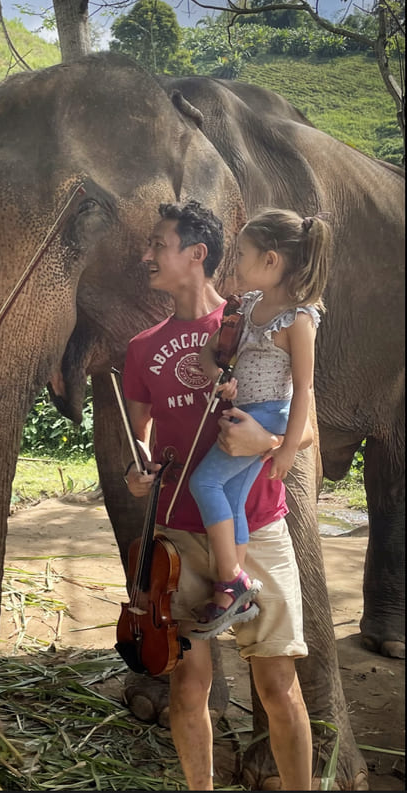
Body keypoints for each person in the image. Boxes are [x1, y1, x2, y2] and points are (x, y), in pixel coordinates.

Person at [122, 200, 314, 792]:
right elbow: (141, 441)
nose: (147, 255)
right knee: (187, 685)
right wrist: (139, 473)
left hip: (258, 526)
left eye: (158, 244)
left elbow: (305, 424)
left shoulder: (250, 320)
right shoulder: (140, 347)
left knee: (278, 686)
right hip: (179, 535)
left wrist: (270, 439)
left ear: (196, 254)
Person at [189, 208, 331, 637]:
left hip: (270, 413)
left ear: (271, 260)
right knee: (230, 496)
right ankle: (232, 591)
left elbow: (305, 388)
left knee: (205, 484)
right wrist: (220, 379)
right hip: (243, 409)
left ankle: (232, 581)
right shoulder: (247, 306)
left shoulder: (299, 318)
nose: (236, 264)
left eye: (243, 254)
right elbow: (206, 356)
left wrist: (286, 447)